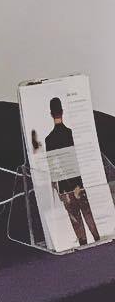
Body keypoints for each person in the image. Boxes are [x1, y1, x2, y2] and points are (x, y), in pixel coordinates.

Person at [45, 97, 99, 246]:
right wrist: (77, 183)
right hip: (77, 183)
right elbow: (77, 159)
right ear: (62, 111)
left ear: (51, 114)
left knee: (75, 219)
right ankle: (97, 240)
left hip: (63, 186)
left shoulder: (49, 139)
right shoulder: (70, 134)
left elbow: (52, 166)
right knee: (87, 213)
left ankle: (83, 244)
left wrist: (56, 186)